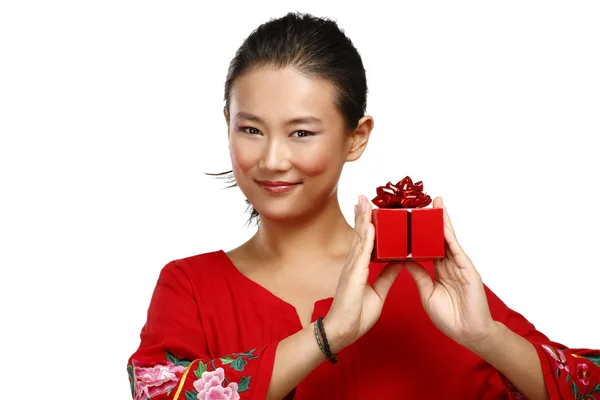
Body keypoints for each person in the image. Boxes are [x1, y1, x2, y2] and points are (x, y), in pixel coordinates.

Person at [127, 12, 599, 400]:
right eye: (250, 129)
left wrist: (487, 339)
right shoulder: (189, 287)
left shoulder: (430, 285)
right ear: (227, 123)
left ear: (357, 138)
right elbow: (159, 392)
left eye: (302, 133)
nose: (271, 160)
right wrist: (325, 336)